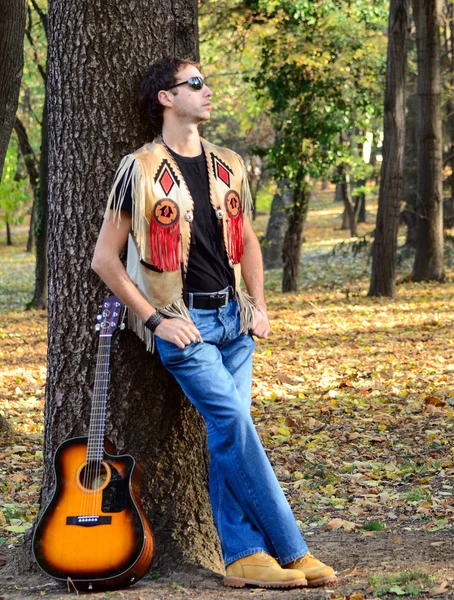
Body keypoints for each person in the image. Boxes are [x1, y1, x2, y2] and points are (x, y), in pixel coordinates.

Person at [92, 56, 336, 590]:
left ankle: (244, 556)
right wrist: (156, 321)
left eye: (205, 83)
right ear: (166, 97)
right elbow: (104, 259)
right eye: (195, 83)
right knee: (234, 424)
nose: (207, 91)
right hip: (186, 323)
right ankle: (293, 549)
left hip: (234, 321)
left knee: (230, 433)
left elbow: (246, 238)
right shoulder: (139, 168)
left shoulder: (229, 163)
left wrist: (260, 305)